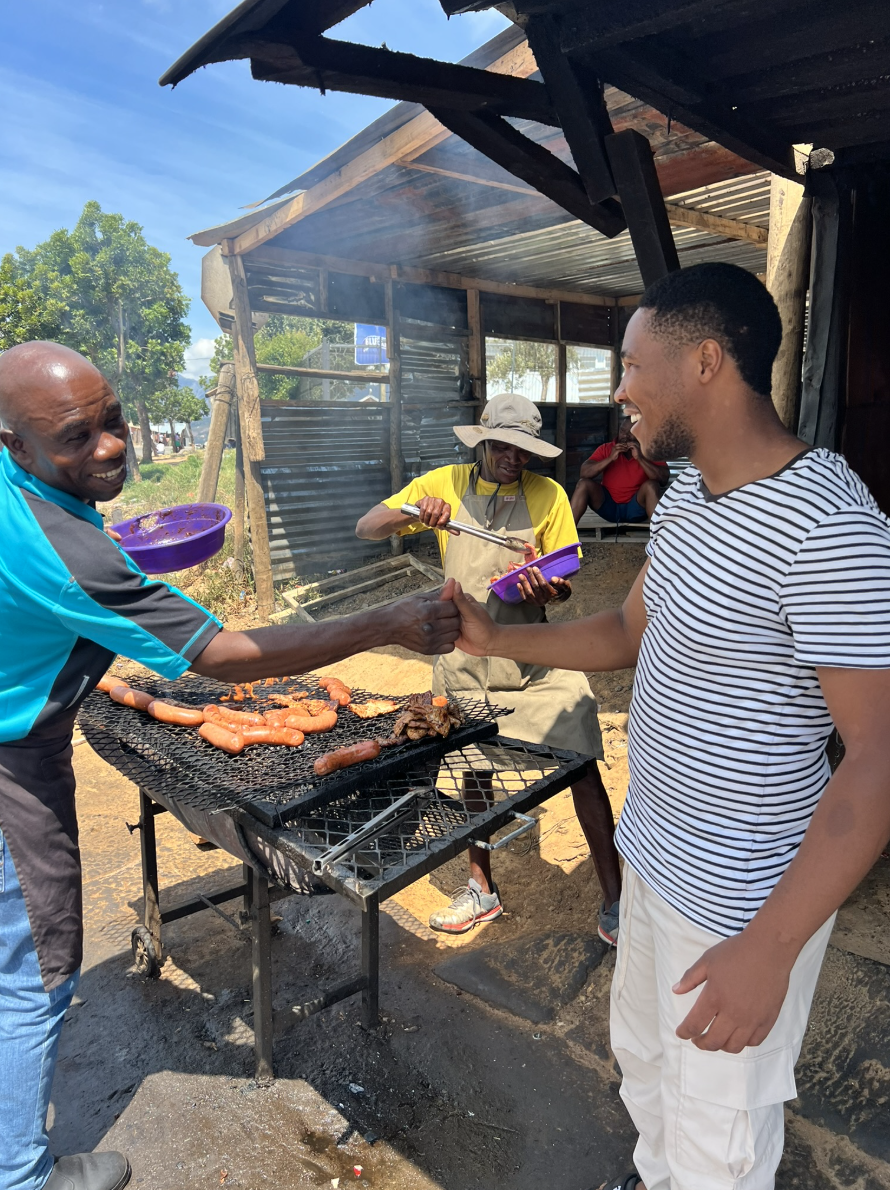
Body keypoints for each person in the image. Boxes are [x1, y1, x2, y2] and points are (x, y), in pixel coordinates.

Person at [449, 264, 890, 1190]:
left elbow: (877, 759)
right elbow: (627, 630)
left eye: (631, 365)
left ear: (705, 362)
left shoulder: (831, 528)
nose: (619, 390)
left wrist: (771, 946)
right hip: (653, 861)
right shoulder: (687, 494)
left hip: (740, 903)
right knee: (647, 1075)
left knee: (716, 1143)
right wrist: (495, 634)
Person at [0, 342, 460, 1190]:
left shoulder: (20, 488)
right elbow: (219, 657)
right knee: (35, 972)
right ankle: (20, 1175)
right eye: (76, 437)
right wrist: (386, 622)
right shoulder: (59, 549)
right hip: (8, 766)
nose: (111, 446)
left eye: (113, 419)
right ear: (15, 443)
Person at [356, 393, 622, 942]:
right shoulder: (446, 484)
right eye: (503, 446)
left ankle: (616, 898)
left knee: (582, 760)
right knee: (471, 771)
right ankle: (481, 888)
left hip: (535, 657)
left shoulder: (549, 495)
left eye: (524, 450)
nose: (513, 458)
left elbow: (564, 577)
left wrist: (550, 588)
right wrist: (415, 511)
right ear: (482, 441)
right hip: (465, 658)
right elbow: (368, 526)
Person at [570, 416, 668, 526]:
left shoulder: (650, 450)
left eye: (630, 433)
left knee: (651, 485)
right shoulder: (607, 448)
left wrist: (640, 458)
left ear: (640, 433)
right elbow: (584, 473)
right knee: (583, 484)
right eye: (622, 431)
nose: (625, 436)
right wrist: (610, 459)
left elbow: (663, 479)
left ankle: (659, 534)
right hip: (609, 507)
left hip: (637, 507)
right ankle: (566, 533)